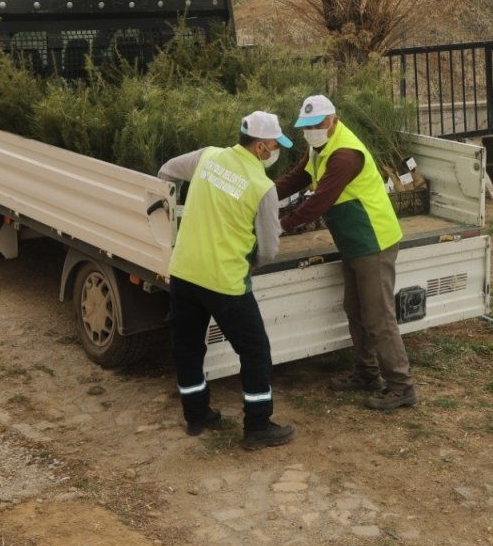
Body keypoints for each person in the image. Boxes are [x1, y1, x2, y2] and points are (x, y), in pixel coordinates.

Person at [158, 111, 296, 450]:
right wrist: (252, 265)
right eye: (276, 145)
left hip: (185, 272)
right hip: (225, 282)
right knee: (254, 350)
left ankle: (196, 416)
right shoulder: (263, 188)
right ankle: (258, 425)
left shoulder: (207, 157)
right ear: (262, 147)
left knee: (187, 347)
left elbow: (166, 172)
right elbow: (268, 247)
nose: (277, 151)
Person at [274, 94, 416, 410]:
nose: (311, 130)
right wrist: (262, 196)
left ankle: (401, 386)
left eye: (317, 124)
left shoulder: (345, 155)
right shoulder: (320, 148)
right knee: (355, 310)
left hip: (373, 241)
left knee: (379, 318)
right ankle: (367, 374)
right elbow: (297, 179)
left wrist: (279, 225)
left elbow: (318, 202)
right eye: (306, 125)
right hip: (354, 241)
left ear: (333, 121)